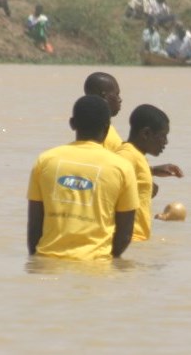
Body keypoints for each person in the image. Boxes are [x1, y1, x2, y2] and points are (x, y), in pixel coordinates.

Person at [27, 95, 139, 261]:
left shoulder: (45, 161)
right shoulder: (122, 168)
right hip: (96, 267)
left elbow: (34, 226)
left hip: (47, 263)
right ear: (107, 128)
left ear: (72, 123)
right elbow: (125, 235)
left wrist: (37, 263)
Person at [117, 104, 183, 242]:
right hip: (130, 240)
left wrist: (150, 174)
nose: (166, 142)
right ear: (146, 134)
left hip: (136, 240)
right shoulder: (127, 156)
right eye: (162, 136)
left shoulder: (137, 156)